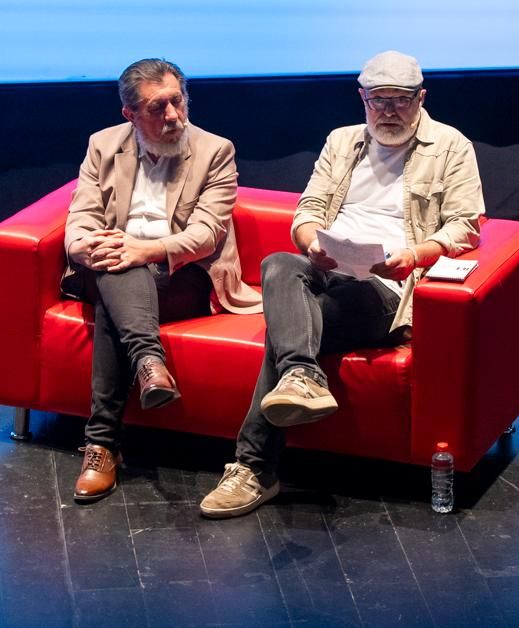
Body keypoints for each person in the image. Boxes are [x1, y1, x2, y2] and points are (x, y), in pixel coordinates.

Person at [199, 50, 485, 518]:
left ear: (421, 98)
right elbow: (309, 209)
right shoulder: (342, 141)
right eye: (378, 100)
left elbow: (466, 225)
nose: (388, 111)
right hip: (331, 266)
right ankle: (301, 377)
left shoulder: (451, 146)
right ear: (362, 98)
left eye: (400, 100)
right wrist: (312, 243)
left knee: (284, 332)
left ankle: (254, 467)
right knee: (279, 263)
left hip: (388, 287)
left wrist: (416, 255)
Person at [64, 58, 262, 503]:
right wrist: (83, 246)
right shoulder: (103, 145)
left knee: (119, 278)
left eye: (178, 102)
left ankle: (101, 445)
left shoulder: (215, 150)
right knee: (118, 268)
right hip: (114, 265)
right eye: (158, 108)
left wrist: (144, 250)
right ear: (130, 114)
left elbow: (206, 234)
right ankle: (149, 364)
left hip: (182, 275)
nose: (173, 115)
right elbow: (81, 216)